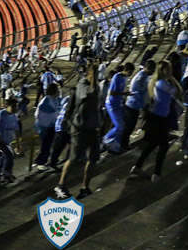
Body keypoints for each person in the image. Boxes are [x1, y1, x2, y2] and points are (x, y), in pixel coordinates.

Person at [56, 64, 102, 199]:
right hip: (79, 127)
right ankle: (61, 185)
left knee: (93, 157)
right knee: (74, 157)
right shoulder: (82, 84)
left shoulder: (96, 86)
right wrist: (92, 82)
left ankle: (85, 187)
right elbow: (84, 96)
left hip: (93, 126)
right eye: (93, 73)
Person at [130, 60, 182, 180]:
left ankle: (138, 166)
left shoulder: (156, 82)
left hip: (157, 117)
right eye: (168, 69)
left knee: (152, 144)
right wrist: (172, 78)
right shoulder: (162, 84)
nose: (170, 71)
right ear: (162, 70)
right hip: (159, 119)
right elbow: (179, 92)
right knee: (163, 146)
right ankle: (156, 173)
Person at [123, 60, 156, 150]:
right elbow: (140, 93)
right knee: (129, 127)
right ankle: (123, 145)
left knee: (131, 126)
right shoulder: (141, 78)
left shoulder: (144, 76)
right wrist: (146, 104)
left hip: (136, 105)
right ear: (148, 68)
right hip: (132, 105)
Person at [103, 63, 133, 153]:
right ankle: (105, 139)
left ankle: (115, 147)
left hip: (118, 103)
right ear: (126, 70)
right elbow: (112, 92)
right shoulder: (117, 77)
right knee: (119, 125)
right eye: (130, 72)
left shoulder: (123, 78)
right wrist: (124, 94)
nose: (131, 74)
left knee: (123, 125)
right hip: (111, 104)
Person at [0, 98, 21, 184]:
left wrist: (18, 143)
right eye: (13, 106)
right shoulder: (1, 116)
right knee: (7, 157)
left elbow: (17, 129)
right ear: (7, 106)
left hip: (9, 141)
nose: (15, 108)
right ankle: (2, 176)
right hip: (2, 141)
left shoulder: (14, 116)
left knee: (3, 159)